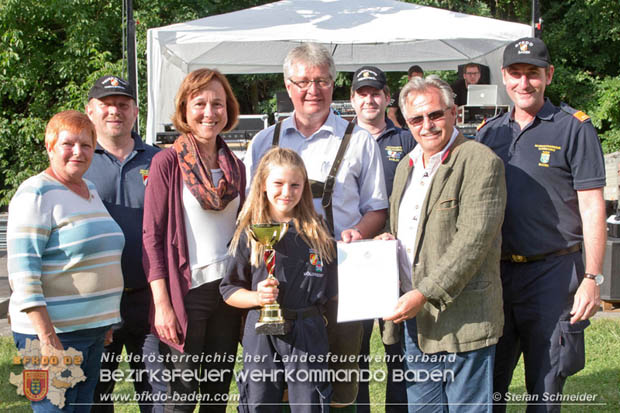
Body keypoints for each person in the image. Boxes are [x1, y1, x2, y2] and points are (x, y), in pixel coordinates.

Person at [245, 43, 388, 410]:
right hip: (277, 286)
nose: (313, 90)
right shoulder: (264, 140)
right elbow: (251, 211)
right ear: (288, 85)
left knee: (343, 381)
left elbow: (376, 209)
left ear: (334, 83)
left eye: (322, 81)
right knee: (274, 387)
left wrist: (360, 230)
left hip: (341, 282)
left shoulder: (360, 140)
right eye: (304, 81)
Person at [476, 37, 606, 413]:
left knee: (545, 388)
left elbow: (592, 208)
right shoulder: (490, 132)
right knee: (489, 385)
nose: (524, 83)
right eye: (515, 74)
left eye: (532, 74)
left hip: (553, 275)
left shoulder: (573, 128)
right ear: (504, 77)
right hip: (497, 275)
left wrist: (592, 279)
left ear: (548, 75)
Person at [377, 75, 506, 412]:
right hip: (415, 323)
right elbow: (401, 228)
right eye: (417, 119)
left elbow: (473, 242)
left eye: (435, 115)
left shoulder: (479, 161)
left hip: (462, 321)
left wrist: (424, 294)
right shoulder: (407, 167)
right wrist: (387, 241)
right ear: (406, 123)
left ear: (453, 113)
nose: (427, 125)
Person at [142, 68, 245, 412]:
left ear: (228, 109)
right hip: (186, 294)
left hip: (228, 295)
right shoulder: (166, 163)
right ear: (184, 109)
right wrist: (163, 305)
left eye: (218, 103)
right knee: (181, 399)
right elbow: (152, 239)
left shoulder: (237, 166)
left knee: (217, 397)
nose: (209, 112)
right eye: (199, 103)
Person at [8, 110, 124, 412]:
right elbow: (23, 272)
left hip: (92, 332)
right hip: (52, 335)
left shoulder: (91, 191)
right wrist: (46, 337)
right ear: (49, 147)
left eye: (86, 145)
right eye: (68, 144)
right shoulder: (36, 193)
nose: (78, 152)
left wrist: (104, 319)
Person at [221, 147, 337, 413]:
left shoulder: (317, 230)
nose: (287, 192)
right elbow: (228, 290)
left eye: (295, 185)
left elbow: (334, 289)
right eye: (278, 183)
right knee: (258, 400)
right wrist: (256, 297)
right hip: (262, 330)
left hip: (307, 328)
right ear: (262, 184)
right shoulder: (249, 232)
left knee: (311, 403)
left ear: (304, 187)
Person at [84, 75, 165, 412]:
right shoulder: (78, 161)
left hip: (148, 300)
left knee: (158, 396)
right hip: (96, 302)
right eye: (106, 104)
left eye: (122, 104)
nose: (114, 111)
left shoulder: (160, 161)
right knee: (97, 397)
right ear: (90, 111)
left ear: (134, 111)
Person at [349, 65, 414, 413]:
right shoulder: (342, 141)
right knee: (354, 349)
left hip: (394, 258)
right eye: (362, 92)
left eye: (376, 92)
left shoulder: (407, 140)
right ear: (352, 99)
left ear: (388, 98)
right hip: (353, 260)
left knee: (397, 349)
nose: (369, 99)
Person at [387, 65, 424, 129]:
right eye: (415, 78)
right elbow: (390, 114)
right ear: (409, 77)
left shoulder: (424, 93)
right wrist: (400, 129)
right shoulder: (399, 94)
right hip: (404, 129)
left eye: (420, 79)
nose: (417, 81)